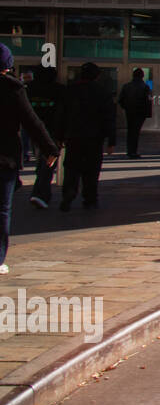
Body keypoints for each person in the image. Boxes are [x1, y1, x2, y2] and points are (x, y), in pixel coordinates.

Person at [0, 44, 58, 274]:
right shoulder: (12, 88)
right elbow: (31, 121)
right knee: (2, 209)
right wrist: (50, 148)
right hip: (4, 157)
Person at [56, 61, 115, 211]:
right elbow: (108, 117)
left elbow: (61, 116)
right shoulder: (102, 93)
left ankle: (69, 192)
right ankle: (90, 198)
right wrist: (111, 140)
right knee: (92, 169)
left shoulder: (69, 91)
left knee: (71, 167)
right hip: (94, 138)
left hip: (73, 136)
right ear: (97, 76)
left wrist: (59, 136)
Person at [26, 65, 64, 210]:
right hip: (53, 132)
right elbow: (63, 112)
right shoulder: (59, 90)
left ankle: (41, 192)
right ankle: (40, 193)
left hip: (34, 131)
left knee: (42, 160)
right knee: (48, 163)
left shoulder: (29, 89)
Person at [117, 67, 151, 158]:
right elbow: (147, 101)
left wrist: (126, 107)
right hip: (140, 112)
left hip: (130, 111)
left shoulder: (126, 86)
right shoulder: (145, 87)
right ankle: (133, 151)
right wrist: (147, 112)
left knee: (131, 131)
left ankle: (130, 150)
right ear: (142, 76)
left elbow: (120, 100)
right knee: (135, 132)